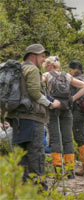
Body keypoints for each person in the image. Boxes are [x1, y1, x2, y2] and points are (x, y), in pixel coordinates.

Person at [7, 44, 61, 189]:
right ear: (33, 55)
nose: (43, 60)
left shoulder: (18, 69)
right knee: (36, 153)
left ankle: (22, 189)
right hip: (32, 117)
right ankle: (38, 190)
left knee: (21, 154)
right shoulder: (32, 69)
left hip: (16, 117)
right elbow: (34, 93)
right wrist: (50, 104)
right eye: (42, 56)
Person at [42, 56, 84, 178]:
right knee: (68, 139)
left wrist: (47, 100)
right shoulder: (67, 76)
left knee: (55, 139)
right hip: (67, 108)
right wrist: (72, 99)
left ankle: (58, 169)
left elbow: (37, 86)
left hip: (53, 108)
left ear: (49, 65)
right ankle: (70, 171)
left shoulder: (46, 75)